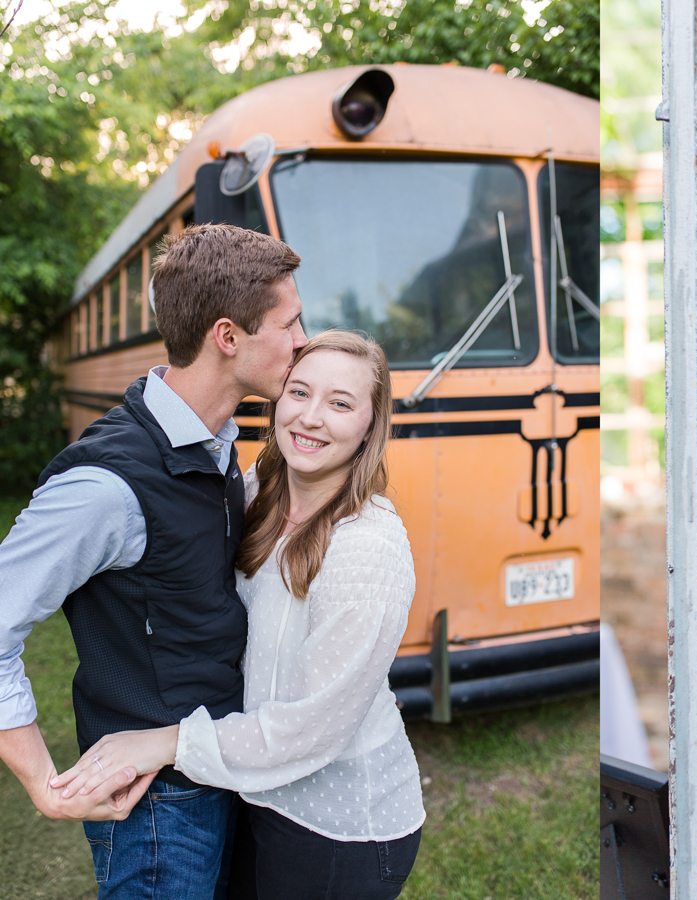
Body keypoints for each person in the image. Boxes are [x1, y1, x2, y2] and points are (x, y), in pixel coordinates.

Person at [52, 329, 424, 900]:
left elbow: (312, 729)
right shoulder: (256, 491)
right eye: (299, 392)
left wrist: (166, 742)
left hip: (335, 828)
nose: (311, 417)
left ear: (372, 426)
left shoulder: (367, 548)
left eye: (341, 403)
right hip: (252, 793)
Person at [0, 224, 306, 898]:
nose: (303, 340)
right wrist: (43, 786)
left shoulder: (217, 443)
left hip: (217, 772)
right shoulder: (104, 488)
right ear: (228, 337)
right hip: (157, 811)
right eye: (291, 322)